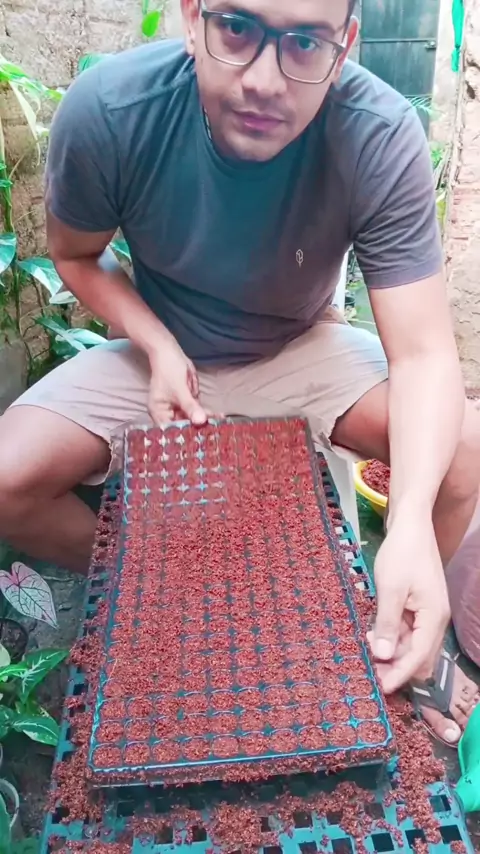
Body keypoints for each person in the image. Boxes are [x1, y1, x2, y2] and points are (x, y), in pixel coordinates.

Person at [0, 0, 478, 743]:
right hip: (163, 350)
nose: (264, 80)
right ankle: (161, 594)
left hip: (300, 344)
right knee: (6, 482)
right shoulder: (114, 110)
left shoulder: (377, 132)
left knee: (462, 454)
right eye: (237, 27)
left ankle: (393, 636)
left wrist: (410, 518)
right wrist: (157, 344)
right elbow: (75, 255)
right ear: (192, 17)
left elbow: (422, 353)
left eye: (305, 42)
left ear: (345, 46)